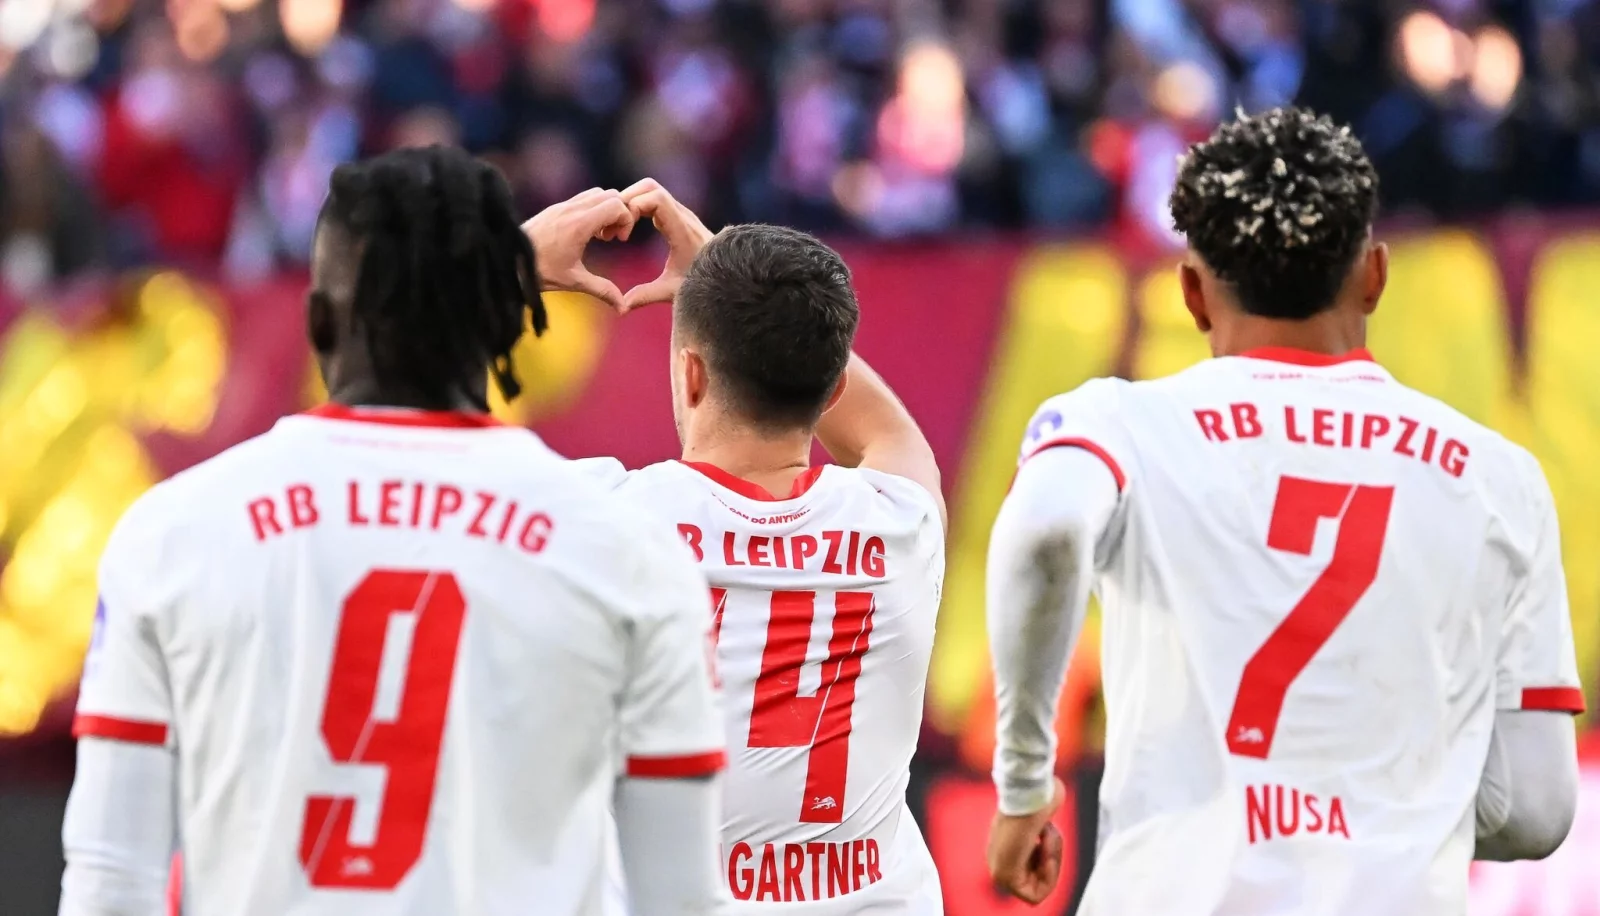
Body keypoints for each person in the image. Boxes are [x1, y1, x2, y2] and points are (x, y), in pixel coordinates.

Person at [59, 147, 727, 916]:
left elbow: (111, 879)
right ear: (507, 324)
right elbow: (680, 900)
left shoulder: (173, 532)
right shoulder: (628, 551)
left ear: (317, 324)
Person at [983, 107, 1583, 915]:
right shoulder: (1498, 475)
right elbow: (1537, 810)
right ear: (1374, 276)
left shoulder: (1117, 425)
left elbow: (1046, 527)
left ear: (1192, 294)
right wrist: (1388, 808)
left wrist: (1025, 783)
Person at [531, 180, 947, 912]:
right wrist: (720, 267)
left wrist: (509, 263)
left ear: (691, 373)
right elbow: (887, 432)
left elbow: (410, 429)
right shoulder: (900, 523)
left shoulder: (599, 518)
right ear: (832, 390)